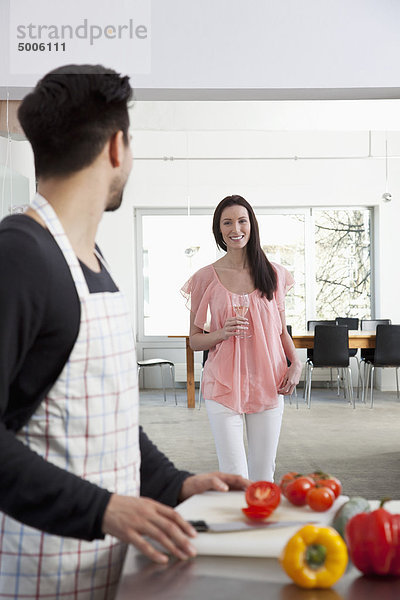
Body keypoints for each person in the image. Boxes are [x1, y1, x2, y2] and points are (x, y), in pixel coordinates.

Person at [0, 65, 248, 599]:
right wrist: (103, 508)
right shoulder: (19, 255)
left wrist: (172, 483)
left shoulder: (90, 258)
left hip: (106, 563)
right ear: (117, 147)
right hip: (41, 571)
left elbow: (100, 417)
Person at [182, 195, 302, 482]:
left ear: (251, 225)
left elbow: (281, 331)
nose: (235, 228)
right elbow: (195, 340)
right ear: (219, 230)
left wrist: (295, 364)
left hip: (268, 381)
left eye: (241, 221)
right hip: (223, 383)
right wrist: (221, 333)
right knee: (233, 474)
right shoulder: (204, 278)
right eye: (227, 222)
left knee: (263, 474)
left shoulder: (274, 274)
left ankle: (261, 527)